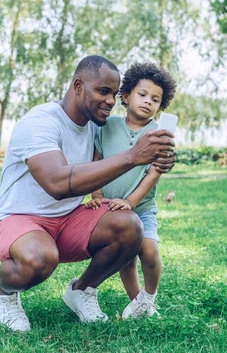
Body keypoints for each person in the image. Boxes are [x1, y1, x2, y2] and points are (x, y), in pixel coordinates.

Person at [0, 55, 177, 331]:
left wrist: (161, 158)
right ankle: (4, 291)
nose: (111, 101)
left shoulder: (95, 126)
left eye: (113, 93)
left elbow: (126, 151)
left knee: (130, 226)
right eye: (103, 91)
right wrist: (134, 156)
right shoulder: (40, 122)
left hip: (68, 219)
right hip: (20, 219)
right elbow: (57, 184)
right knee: (40, 258)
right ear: (78, 87)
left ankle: (82, 290)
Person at [85, 62, 177, 319]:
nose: (148, 102)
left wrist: (131, 201)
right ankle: (137, 302)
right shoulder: (107, 126)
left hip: (142, 208)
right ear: (125, 96)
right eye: (142, 94)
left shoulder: (159, 134)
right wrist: (97, 195)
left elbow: (154, 173)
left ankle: (149, 296)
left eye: (156, 99)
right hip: (110, 209)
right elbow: (97, 162)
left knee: (148, 250)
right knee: (126, 257)